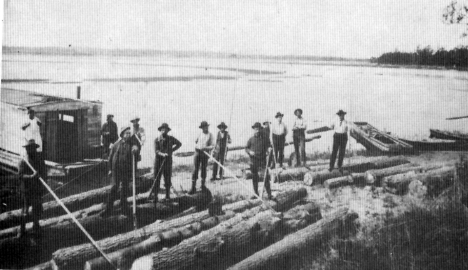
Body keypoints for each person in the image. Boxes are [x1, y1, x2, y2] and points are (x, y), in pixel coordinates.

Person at [101, 126, 138, 217]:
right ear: (122, 135)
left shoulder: (132, 144)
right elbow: (110, 158)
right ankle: (108, 210)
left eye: (129, 133)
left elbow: (137, 151)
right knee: (113, 189)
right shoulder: (116, 145)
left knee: (124, 190)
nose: (128, 135)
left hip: (126, 171)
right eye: (126, 133)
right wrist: (110, 169)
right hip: (116, 171)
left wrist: (136, 149)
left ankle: (124, 209)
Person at [17, 139, 46, 236]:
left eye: (33, 148)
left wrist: (43, 186)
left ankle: (36, 226)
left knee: (36, 208)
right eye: (29, 148)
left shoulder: (40, 160)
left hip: (37, 189)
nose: (31, 150)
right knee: (25, 211)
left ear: (35, 149)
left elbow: (44, 174)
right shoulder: (23, 161)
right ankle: (21, 229)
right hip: (26, 189)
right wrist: (31, 177)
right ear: (26, 149)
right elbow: (20, 176)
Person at [153, 123, 182, 202]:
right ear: (160, 130)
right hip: (158, 161)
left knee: (167, 178)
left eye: (165, 129)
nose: (163, 130)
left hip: (168, 161)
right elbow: (156, 151)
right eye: (162, 129)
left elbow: (179, 144)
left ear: (167, 130)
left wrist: (171, 150)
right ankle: (155, 196)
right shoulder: (157, 140)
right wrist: (163, 154)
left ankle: (167, 196)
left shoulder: (171, 138)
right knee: (156, 179)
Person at [245, 122, 273, 199]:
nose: (257, 131)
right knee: (254, 177)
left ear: (260, 129)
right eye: (255, 129)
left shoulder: (265, 139)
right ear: (253, 130)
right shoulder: (251, 139)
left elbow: (269, 146)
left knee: (266, 177)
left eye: (258, 129)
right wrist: (250, 152)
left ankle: (269, 194)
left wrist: (269, 148)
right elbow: (246, 148)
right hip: (253, 161)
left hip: (262, 160)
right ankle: (256, 193)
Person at [190, 121, 215, 194]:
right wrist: (199, 146)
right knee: (195, 169)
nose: (205, 128)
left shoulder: (210, 135)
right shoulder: (199, 134)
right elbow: (196, 141)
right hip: (197, 152)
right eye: (204, 127)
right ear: (202, 128)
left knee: (203, 169)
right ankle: (193, 187)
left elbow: (212, 146)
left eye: (206, 126)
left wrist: (205, 148)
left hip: (204, 154)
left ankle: (203, 186)